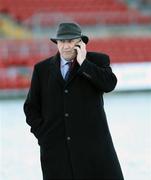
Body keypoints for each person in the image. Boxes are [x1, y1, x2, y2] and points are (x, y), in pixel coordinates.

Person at [23, 22, 124, 180]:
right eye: (62, 42)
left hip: (94, 150)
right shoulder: (41, 70)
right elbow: (31, 107)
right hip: (56, 151)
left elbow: (109, 84)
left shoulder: (98, 61)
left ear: (80, 42)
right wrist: (43, 135)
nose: (65, 46)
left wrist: (84, 63)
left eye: (70, 41)